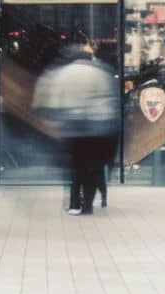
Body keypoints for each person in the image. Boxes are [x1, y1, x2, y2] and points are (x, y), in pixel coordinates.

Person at [35, 45, 118, 215]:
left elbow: (51, 102)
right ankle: (87, 204)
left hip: (71, 128)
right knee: (93, 167)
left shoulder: (62, 73)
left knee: (75, 168)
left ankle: (74, 205)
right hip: (96, 129)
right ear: (89, 58)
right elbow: (110, 103)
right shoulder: (101, 73)